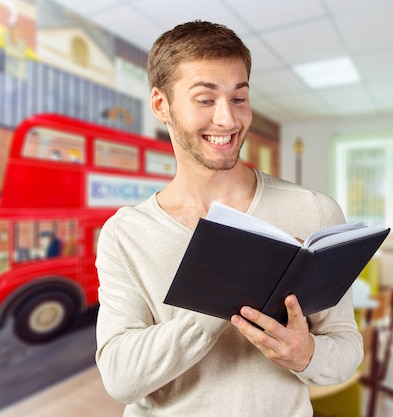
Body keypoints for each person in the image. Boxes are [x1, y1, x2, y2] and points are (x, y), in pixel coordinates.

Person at [94, 20, 363, 417]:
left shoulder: (313, 210)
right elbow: (119, 377)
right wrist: (221, 303)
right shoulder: (125, 233)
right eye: (205, 100)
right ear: (160, 105)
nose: (229, 120)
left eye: (239, 98)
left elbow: (346, 347)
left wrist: (307, 354)